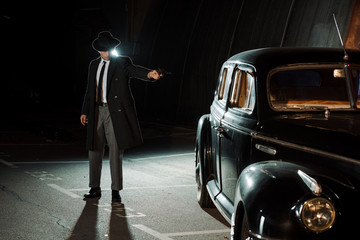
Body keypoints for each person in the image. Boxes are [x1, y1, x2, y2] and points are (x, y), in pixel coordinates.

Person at [80, 31, 162, 202]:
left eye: (110, 49)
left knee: (116, 151)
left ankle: (115, 190)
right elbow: (89, 90)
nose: (108, 53)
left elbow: (134, 71)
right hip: (96, 111)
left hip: (114, 112)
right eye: (105, 50)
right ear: (99, 51)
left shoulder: (121, 62)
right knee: (94, 150)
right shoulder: (93, 65)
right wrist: (84, 111)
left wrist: (150, 74)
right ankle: (94, 188)